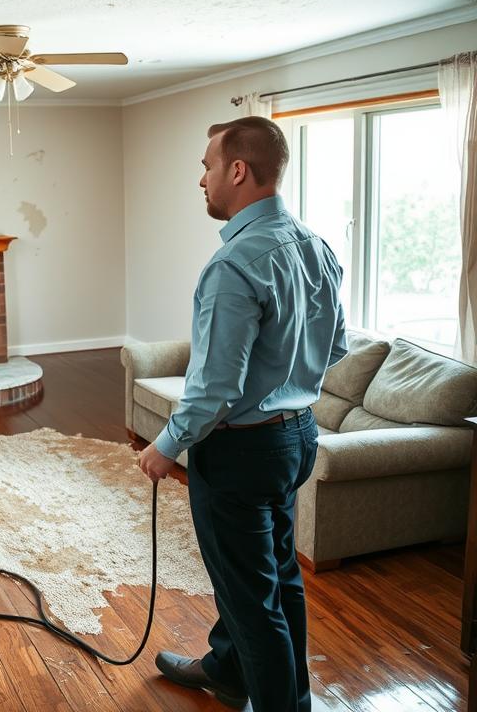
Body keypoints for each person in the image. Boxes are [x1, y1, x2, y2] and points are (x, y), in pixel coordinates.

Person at [137, 116, 347, 711]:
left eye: (206, 166)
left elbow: (214, 389)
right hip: (299, 437)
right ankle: (227, 672)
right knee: (276, 576)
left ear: (237, 170)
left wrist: (165, 446)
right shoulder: (314, 245)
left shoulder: (233, 265)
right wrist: (286, 386)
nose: (199, 179)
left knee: (254, 600)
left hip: (240, 452)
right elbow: (334, 348)